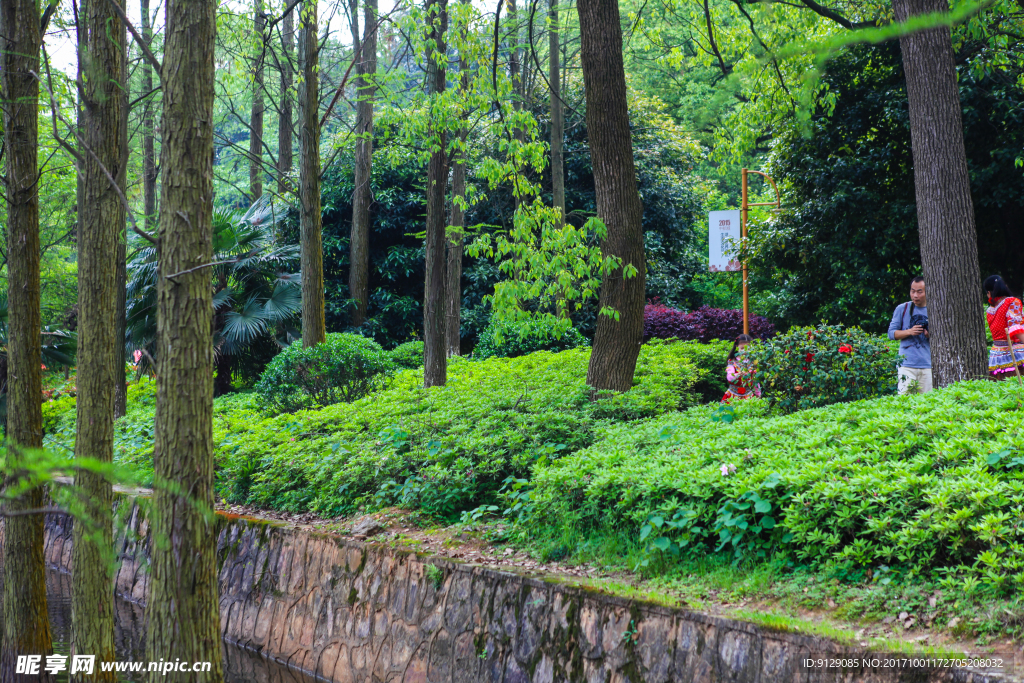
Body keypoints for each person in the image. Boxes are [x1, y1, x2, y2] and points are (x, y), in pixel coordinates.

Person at [887, 276, 932, 394]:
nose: (915, 295)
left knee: (927, 403)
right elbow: (891, 334)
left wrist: (929, 335)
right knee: (904, 401)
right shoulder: (903, 308)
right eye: (913, 291)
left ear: (928, 291)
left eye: (919, 291)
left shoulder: (935, 309)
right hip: (906, 365)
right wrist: (909, 331)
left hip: (928, 365)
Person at [983, 274, 1024, 379]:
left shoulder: (990, 311)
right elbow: (1015, 328)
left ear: (989, 292)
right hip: (1015, 353)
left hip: (996, 356)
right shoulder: (1012, 302)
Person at [722, 334, 760, 402]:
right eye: (742, 348)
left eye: (748, 348)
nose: (745, 351)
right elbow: (729, 377)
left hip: (748, 395)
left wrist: (758, 394)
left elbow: (755, 380)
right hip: (732, 396)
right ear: (737, 347)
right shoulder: (732, 361)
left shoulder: (753, 362)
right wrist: (738, 374)